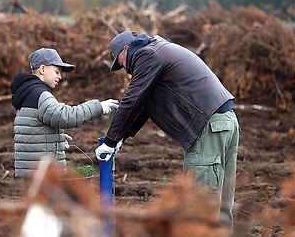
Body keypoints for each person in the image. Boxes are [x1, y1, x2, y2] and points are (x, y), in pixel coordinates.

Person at [95, 31, 239, 227]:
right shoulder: (159, 49)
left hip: (209, 127)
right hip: (225, 122)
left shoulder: (146, 55)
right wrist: (122, 136)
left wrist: (110, 141)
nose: (120, 66)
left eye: (118, 60)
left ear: (126, 49)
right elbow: (144, 104)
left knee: (200, 202)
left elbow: (133, 99)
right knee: (220, 204)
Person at [11, 48, 118, 178]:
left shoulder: (28, 92)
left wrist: (56, 138)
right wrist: (98, 107)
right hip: (44, 172)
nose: (60, 77)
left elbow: (34, 127)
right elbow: (66, 116)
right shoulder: (40, 94)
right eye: (56, 72)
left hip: (34, 169)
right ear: (42, 69)